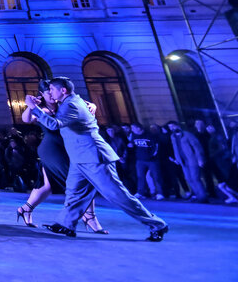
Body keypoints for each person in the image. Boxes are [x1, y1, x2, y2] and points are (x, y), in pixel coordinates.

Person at [25, 77, 169, 241]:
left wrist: (33, 107)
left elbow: (54, 124)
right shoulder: (71, 101)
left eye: (52, 89)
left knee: (117, 194)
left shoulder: (71, 104)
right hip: (79, 158)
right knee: (74, 193)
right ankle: (65, 224)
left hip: (93, 157)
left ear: (63, 90)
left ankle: (157, 225)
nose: (49, 92)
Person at [17, 80, 106, 233]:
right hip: (52, 150)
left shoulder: (64, 104)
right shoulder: (42, 109)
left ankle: (25, 209)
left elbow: (84, 104)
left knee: (46, 186)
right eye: (48, 92)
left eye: (52, 91)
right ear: (42, 94)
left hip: (68, 148)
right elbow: (26, 119)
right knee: (82, 181)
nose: (51, 95)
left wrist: (93, 105)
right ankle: (89, 216)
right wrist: (31, 105)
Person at [167, 121, 207, 202]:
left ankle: (203, 197)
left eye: (173, 126)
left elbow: (197, 147)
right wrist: (177, 159)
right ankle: (198, 195)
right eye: (170, 127)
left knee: (195, 178)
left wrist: (200, 159)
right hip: (183, 161)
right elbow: (175, 148)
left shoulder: (187, 134)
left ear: (177, 126)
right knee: (188, 178)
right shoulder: (173, 136)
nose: (172, 128)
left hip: (192, 159)